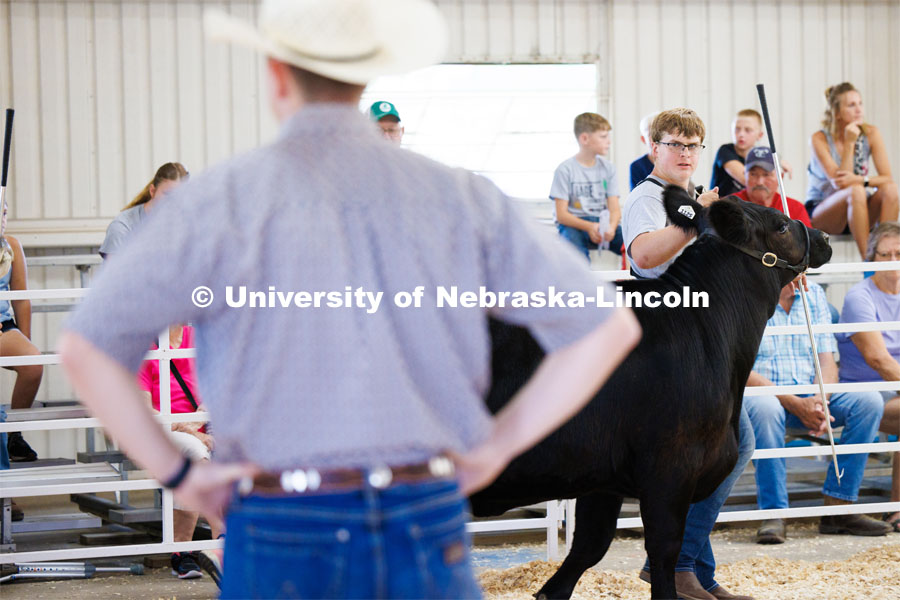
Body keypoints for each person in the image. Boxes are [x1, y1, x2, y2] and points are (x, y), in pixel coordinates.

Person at [58, 2, 641, 598]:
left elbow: (87, 347)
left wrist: (184, 475)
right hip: (423, 509)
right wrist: (495, 449)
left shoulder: (217, 201)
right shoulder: (460, 196)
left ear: (276, 73)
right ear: (368, 73)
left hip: (277, 513)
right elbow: (605, 329)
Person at [624, 108, 754, 600]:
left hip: (699, 343)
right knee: (722, 444)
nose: (684, 153)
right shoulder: (647, 197)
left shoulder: (689, 199)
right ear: (653, 148)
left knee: (728, 444)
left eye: (693, 145)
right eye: (674, 143)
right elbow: (644, 255)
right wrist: (697, 219)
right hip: (668, 342)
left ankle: (692, 568)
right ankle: (681, 567)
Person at [745, 279, 890, 543]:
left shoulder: (814, 296)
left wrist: (818, 400)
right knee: (765, 410)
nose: (797, 280)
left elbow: (827, 361)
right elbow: (740, 368)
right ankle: (774, 513)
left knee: (869, 401)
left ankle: (838, 509)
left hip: (810, 393)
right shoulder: (746, 293)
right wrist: (794, 402)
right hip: (765, 394)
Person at [137, 324, 223, 579]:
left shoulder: (199, 337)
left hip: (202, 422)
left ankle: (193, 551)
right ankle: (211, 546)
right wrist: (189, 429)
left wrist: (200, 419)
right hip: (165, 428)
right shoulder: (145, 348)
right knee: (196, 454)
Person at [837, 223, 900, 533]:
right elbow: (879, 359)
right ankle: (896, 508)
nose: (892, 261)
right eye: (884, 254)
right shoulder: (859, 296)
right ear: (871, 258)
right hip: (866, 392)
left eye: (899, 254)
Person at [806, 82, 898, 258]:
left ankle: (886, 253)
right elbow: (840, 184)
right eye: (851, 105)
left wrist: (861, 180)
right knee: (855, 191)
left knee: (891, 190)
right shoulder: (819, 139)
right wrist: (849, 143)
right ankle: (869, 262)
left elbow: (887, 178)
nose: (859, 110)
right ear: (837, 113)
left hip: (858, 209)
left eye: (860, 103)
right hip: (824, 210)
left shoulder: (871, 133)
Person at [550, 112, 623, 260]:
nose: (609, 141)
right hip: (574, 224)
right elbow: (561, 215)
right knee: (575, 255)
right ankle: (581, 282)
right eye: (603, 137)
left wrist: (611, 227)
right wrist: (589, 227)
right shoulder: (565, 170)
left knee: (633, 243)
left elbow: (615, 209)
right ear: (584, 138)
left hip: (602, 223)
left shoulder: (608, 168)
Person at [0, 206, 42, 462]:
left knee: (33, 363)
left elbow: (21, 299)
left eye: (4, 213)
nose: (2, 219)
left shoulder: (11, 246)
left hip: (3, 325)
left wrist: (25, 338)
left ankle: (14, 434)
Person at [99, 162, 189, 259]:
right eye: (167, 194)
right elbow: (115, 273)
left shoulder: (183, 226)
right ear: (152, 191)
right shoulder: (122, 228)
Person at [734, 147, 811, 225]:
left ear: (780, 177)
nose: (760, 182)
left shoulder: (795, 209)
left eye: (766, 174)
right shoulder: (730, 205)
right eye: (753, 174)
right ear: (744, 175)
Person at [629, 111, 658, 190]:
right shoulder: (637, 166)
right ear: (643, 139)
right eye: (650, 134)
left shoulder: (674, 162)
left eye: (659, 133)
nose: (655, 138)